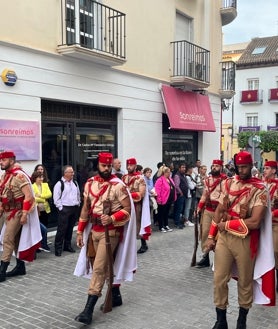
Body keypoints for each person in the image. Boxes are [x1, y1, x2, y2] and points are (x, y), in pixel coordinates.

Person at [207, 151, 275, 329]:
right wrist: (211, 235)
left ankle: (242, 319)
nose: (242, 170)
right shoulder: (229, 183)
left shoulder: (260, 189)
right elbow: (219, 211)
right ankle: (220, 319)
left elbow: (254, 222)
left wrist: (225, 225)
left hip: (245, 240)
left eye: (245, 167)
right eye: (239, 167)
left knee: (245, 281)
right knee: (219, 279)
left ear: (251, 166)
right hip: (224, 239)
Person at [73, 152, 137, 325]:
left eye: (109, 166)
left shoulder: (118, 186)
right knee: (98, 264)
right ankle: (115, 295)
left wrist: (113, 218)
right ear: (98, 166)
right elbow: (85, 209)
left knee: (99, 269)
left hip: (111, 232)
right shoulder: (89, 184)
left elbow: (127, 209)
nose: (107, 169)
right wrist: (79, 231)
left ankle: (88, 310)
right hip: (94, 230)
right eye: (104, 166)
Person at [0, 151, 41, 282]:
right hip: (7, 211)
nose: (1, 162)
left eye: (4, 160)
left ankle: (2, 271)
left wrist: (24, 214)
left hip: (16, 213)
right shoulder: (4, 176)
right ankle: (20, 266)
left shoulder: (20, 176)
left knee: (7, 239)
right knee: (16, 240)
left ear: (11, 160)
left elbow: (28, 196)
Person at [195, 160, 226, 268]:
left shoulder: (225, 181)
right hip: (208, 210)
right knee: (205, 234)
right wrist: (198, 208)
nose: (214, 167)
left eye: (217, 166)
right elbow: (204, 195)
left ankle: (218, 258)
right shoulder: (207, 180)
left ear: (221, 167)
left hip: (220, 211)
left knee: (218, 236)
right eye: (213, 166)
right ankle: (206, 257)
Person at [122, 158, 151, 254]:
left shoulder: (140, 178)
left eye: (131, 165)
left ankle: (143, 244)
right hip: (125, 206)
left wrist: (128, 195)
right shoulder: (124, 177)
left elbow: (141, 194)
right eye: (127, 165)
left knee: (137, 225)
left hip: (136, 206)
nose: (128, 167)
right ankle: (126, 245)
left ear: (135, 166)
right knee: (125, 225)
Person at [53, 165, 81, 256]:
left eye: (73, 172)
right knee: (62, 229)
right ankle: (58, 248)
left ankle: (67, 245)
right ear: (65, 173)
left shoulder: (75, 183)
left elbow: (78, 194)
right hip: (64, 209)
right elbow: (56, 198)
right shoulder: (59, 184)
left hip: (73, 208)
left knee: (70, 228)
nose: (73, 174)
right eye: (71, 172)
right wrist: (61, 208)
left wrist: (78, 203)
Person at [263, 160, 278, 291]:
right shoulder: (261, 184)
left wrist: (273, 213)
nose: (265, 170)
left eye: (267, 168)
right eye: (264, 168)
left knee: (276, 252)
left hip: (275, 224)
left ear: (273, 170)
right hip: (263, 224)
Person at [32, 171, 52, 252]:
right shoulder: (32, 186)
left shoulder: (45, 185)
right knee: (38, 228)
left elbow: (49, 194)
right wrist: (43, 199)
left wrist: (40, 196)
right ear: (35, 178)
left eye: (42, 177)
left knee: (45, 227)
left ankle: (44, 244)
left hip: (45, 209)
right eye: (39, 177)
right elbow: (33, 198)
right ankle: (37, 246)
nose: (41, 179)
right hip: (37, 211)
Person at [154, 166, 176, 232]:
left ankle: (166, 225)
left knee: (166, 213)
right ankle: (161, 226)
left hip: (169, 199)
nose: (169, 173)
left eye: (170, 172)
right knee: (161, 213)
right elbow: (158, 191)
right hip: (163, 200)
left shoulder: (170, 179)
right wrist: (159, 200)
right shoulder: (160, 180)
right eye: (168, 172)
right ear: (164, 172)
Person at [173, 163, 188, 229]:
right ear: (179, 168)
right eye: (182, 167)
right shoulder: (177, 175)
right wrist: (181, 192)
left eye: (184, 167)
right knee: (178, 209)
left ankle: (179, 221)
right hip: (180, 195)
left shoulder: (183, 175)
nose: (184, 169)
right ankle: (177, 222)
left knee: (181, 209)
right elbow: (176, 186)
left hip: (184, 195)